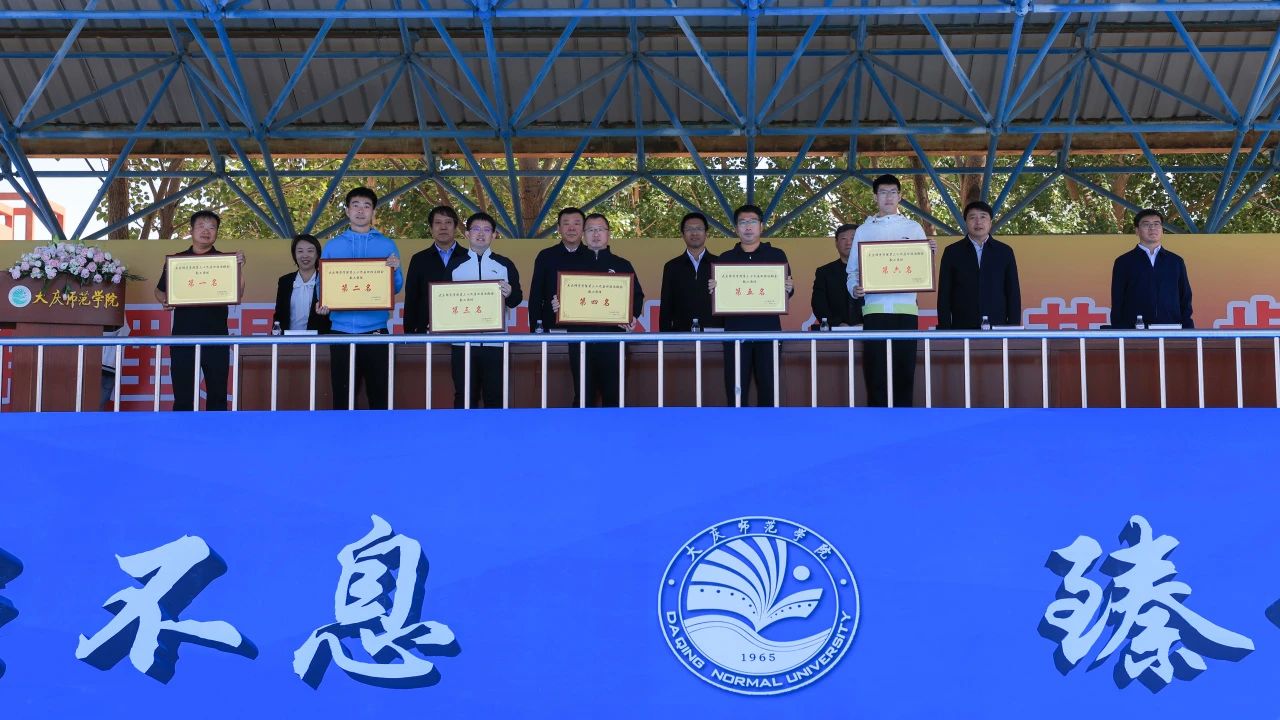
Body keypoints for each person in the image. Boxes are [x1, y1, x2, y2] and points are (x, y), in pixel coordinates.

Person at [848, 174, 933, 408]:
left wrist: (929, 253)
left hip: (906, 311)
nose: (888, 197)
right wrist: (854, 289)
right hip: (874, 312)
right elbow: (852, 271)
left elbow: (922, 268)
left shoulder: (913, 228)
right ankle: (876, 421)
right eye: (883, 192)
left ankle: (904, 422)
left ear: (900, 196)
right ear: (875, 197)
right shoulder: (864, 231)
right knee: (876, 372)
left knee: (904, 371)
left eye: (893, 192)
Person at [317, 187, 403, 410]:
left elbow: (396, 287)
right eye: (355, 205)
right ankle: (342, 434)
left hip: (376, 331)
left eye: (366, 206)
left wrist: (394, 270)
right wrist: (322, 302)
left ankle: (380, 434)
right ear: (347, 211)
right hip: (341, 332)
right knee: (342, 397)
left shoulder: (387, 245)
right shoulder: (333, 246)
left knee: (380, 395)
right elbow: (322, 286)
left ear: (373, 211)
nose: (361, 210)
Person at [154, 210, 245, 411]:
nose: (206, 231)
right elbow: (159, 291)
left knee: (218, 395)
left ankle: (216, 431)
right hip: (183, 337)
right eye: (201, 226)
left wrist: (239, 267)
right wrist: (165, 301)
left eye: (212, 227)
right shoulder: (177, 261)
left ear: (216, 233)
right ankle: (183, 431)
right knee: (183, 395)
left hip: (216, 338)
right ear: (191, 230)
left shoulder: (225, 261)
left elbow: (238, 293)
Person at [552, 213, 644, 407]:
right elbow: (561, 297)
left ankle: (614, 427)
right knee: (583, 397)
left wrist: (631, 316)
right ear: (583, 234)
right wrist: (557, 305)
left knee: (614, 396)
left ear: (608, 234)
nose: (596, 234)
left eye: (600, 230)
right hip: (580, 341)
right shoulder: (569, 265)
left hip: (613, 341)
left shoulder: (622, 265)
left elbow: (637, 296)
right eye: (591, 230)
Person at [714, 204, 794, 407]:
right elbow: (719, 299)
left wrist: (788, 288)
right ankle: (736, 425)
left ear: (761, 226)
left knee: (768, 388)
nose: (748, 227)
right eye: (743, 222)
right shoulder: (725, 259)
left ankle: (767, 426)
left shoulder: (776, 255)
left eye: (752, 222)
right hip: (735, 333)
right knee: (736, 389)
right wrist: (714, 290)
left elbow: (786, 293)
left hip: (768, 332)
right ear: (736, 228)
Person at [449, 212, 523, 408]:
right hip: (462, 344)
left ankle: (495, 430)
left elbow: (516, 299)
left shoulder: (505, 264)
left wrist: (510, 293)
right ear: (467, 234)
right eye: (476, 229)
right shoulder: (454, 265)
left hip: (495, 343)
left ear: (494, 235)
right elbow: (443, 301)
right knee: (464, 397)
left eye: (487, 230)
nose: (481, 234)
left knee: (496, 397)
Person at [528, 207, 587, 405]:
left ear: (583, 228)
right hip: (552, 329)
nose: (571, 228)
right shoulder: (546, 256)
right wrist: (535, 328)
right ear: (559, 229)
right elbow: (536, 295)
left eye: (576, 223)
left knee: (584, 387)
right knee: (552, 388)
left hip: (585, 331)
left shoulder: (592, 256)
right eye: (566, 224)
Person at [936, 201, 1022, 329]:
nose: (978, 222)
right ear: (966, 222)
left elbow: (1013, 292)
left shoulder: (1004, 251)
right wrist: (945, 329)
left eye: (983, 217)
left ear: (990, 222)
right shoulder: (952, 252)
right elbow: (944, 295)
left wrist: (1013, 328)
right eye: (972, 217)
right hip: (962, 327)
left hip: (998, 326)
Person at [1110, 208, 1193, 329]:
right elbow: (1117, 300)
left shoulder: (1175, 261)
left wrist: (1187, 327)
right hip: (1134, 329)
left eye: (1156, 224)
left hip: (1171, 328)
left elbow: (1185, 297)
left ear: (1162, 230)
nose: (1152, 228)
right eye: (1146, 224)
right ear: (1137, 230)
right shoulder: (1124, 262)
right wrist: (1119, 329)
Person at [404, 205, 468, 334]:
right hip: (427, 332)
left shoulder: (469, 257)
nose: (443, 227)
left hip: (463, 329)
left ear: (455, 227)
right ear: (431, 228)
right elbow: (411, 298)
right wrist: (410, 333)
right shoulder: (419, 259)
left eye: (448, 222)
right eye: (438, 223)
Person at [659, 211, 721, 332]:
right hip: (681, 334)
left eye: (699, 228)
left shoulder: (719, 264)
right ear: (682, 234)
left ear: (706, 233)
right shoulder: (672, 267)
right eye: (689, 229)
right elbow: (666, 306)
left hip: (714, 333)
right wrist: (664, 337)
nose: (694, 233)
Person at [272, 234, 330, 333]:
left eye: (310, 251)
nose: (305, 255)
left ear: (317, 254)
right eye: (300, 251)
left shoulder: (326, 280)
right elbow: (279, 315)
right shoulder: (285, 281)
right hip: (288, 339)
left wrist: (326, 313)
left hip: (319, 339)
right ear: (294, 255)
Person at [811, 223, 863, 329]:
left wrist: (868, 323)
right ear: (836, 243)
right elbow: (818, 304)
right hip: (836, 330)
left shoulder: (870, 270)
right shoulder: (824, 272)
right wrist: (836, 323)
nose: (848, 243)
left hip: (869, 330)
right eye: (843, 239)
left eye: (853, 238)